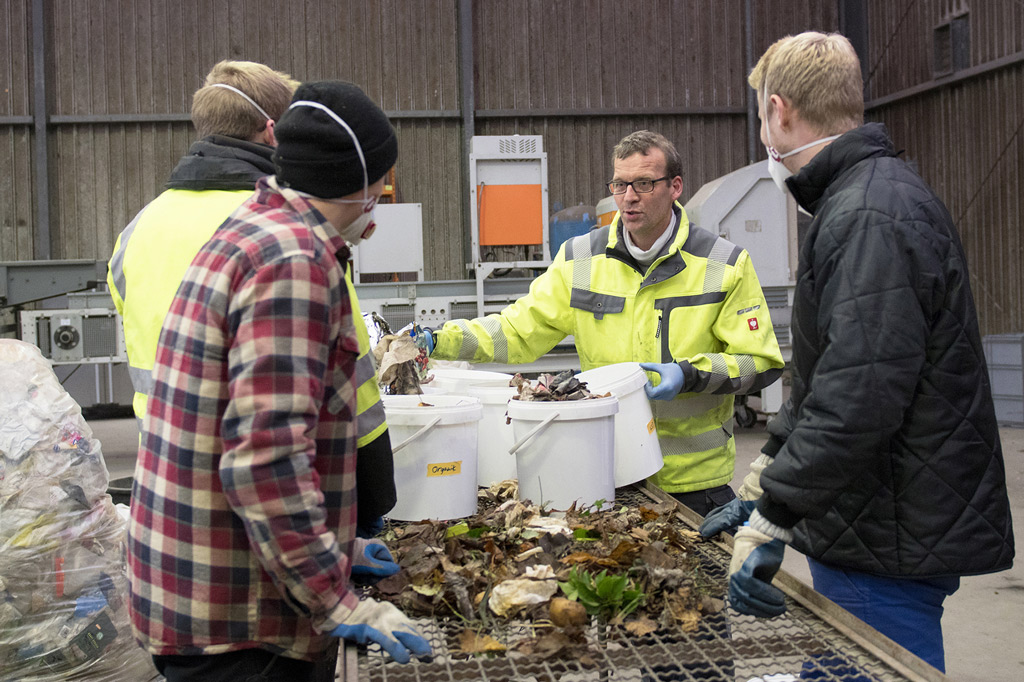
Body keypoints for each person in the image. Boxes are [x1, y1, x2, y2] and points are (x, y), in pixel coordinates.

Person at [699, 32, 1015, 674]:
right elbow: (830, 378)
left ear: (779, 110)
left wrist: (776, 517)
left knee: (877, 663)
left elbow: (859, 400)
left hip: (886, 529)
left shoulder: (868, 215)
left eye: (762, 113)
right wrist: (764, 485)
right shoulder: (867, 198)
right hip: (875, 516)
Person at [126, 81, 431, 682]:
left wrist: (337, 552)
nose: (382, 199)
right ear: (365, 180)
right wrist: (336, 597)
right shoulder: (293, 261)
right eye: (383, 183)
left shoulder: (256, 225)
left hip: (200, 582)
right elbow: (264, 460)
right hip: (234, 623)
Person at [426, 130, 784, 515]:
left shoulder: (724, 265)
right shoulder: (580, 260)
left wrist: (690, 375)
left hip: (694, 485)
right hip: (605, 474)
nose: (629, 197)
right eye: (620, 184)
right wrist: (438, 341)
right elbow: (515, 331)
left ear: (675, 186)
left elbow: (760, 362)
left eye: (644, 183)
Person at [107, 60, 396, 537]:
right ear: (271, 133)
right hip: (290, 493)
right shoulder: (287, 233)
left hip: (168, 476)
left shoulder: (136, 231)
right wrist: (373, 494)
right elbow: (349, 372)